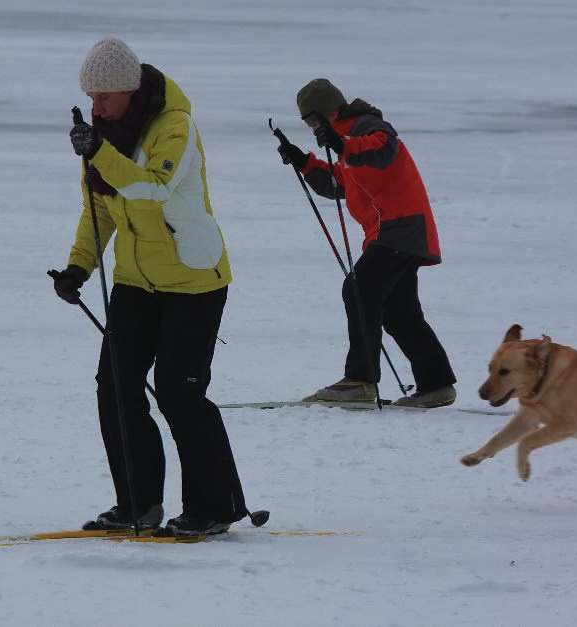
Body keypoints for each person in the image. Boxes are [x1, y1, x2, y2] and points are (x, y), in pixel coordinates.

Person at [53, 37, 248, 535]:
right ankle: (137, 503)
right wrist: (79, 267)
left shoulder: (174, 127)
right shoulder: (102, 134)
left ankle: (213, 508)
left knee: (179, 395)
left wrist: (99, 152)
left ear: (128, 90)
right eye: (90, 97)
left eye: (103, 97)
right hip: (134, 281)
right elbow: (98, 208)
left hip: (192, 280)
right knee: (115, 389)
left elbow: (151, 188)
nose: (95, 106)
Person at [276, 78, 457, 408]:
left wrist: (342, 144)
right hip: (392, 230)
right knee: (399, 312)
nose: (313, 126)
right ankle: (437, 384)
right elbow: (339, 184)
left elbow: (381, 147)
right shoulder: (343, 140)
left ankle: (360, 380)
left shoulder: (366, 126)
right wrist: (303, 161)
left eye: (314, 118)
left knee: (358, 290)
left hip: (400, 227)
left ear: (332, 109)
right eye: (307, 122)